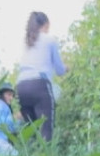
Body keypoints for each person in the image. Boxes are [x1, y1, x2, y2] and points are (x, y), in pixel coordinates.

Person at [16, 11, 67, 141]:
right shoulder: (49, 40)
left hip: (21, 86)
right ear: (45, 25)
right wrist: (67, 68)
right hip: (39, 85)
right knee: (46, 128)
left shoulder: (26, 42)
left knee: (29, 129)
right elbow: (60, 70)